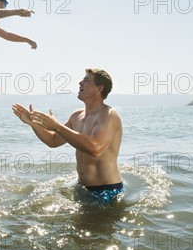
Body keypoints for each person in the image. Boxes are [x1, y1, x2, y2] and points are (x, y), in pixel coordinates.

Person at [12, 69, 123, 203]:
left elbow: (96, 148)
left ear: (99, 88)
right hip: (81, 188)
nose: (80, 82)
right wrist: (33, 124)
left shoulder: (109, 115)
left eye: (86, 80)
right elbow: (53, 140)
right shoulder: (77, 116)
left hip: (107, 190)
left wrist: (57, 127)